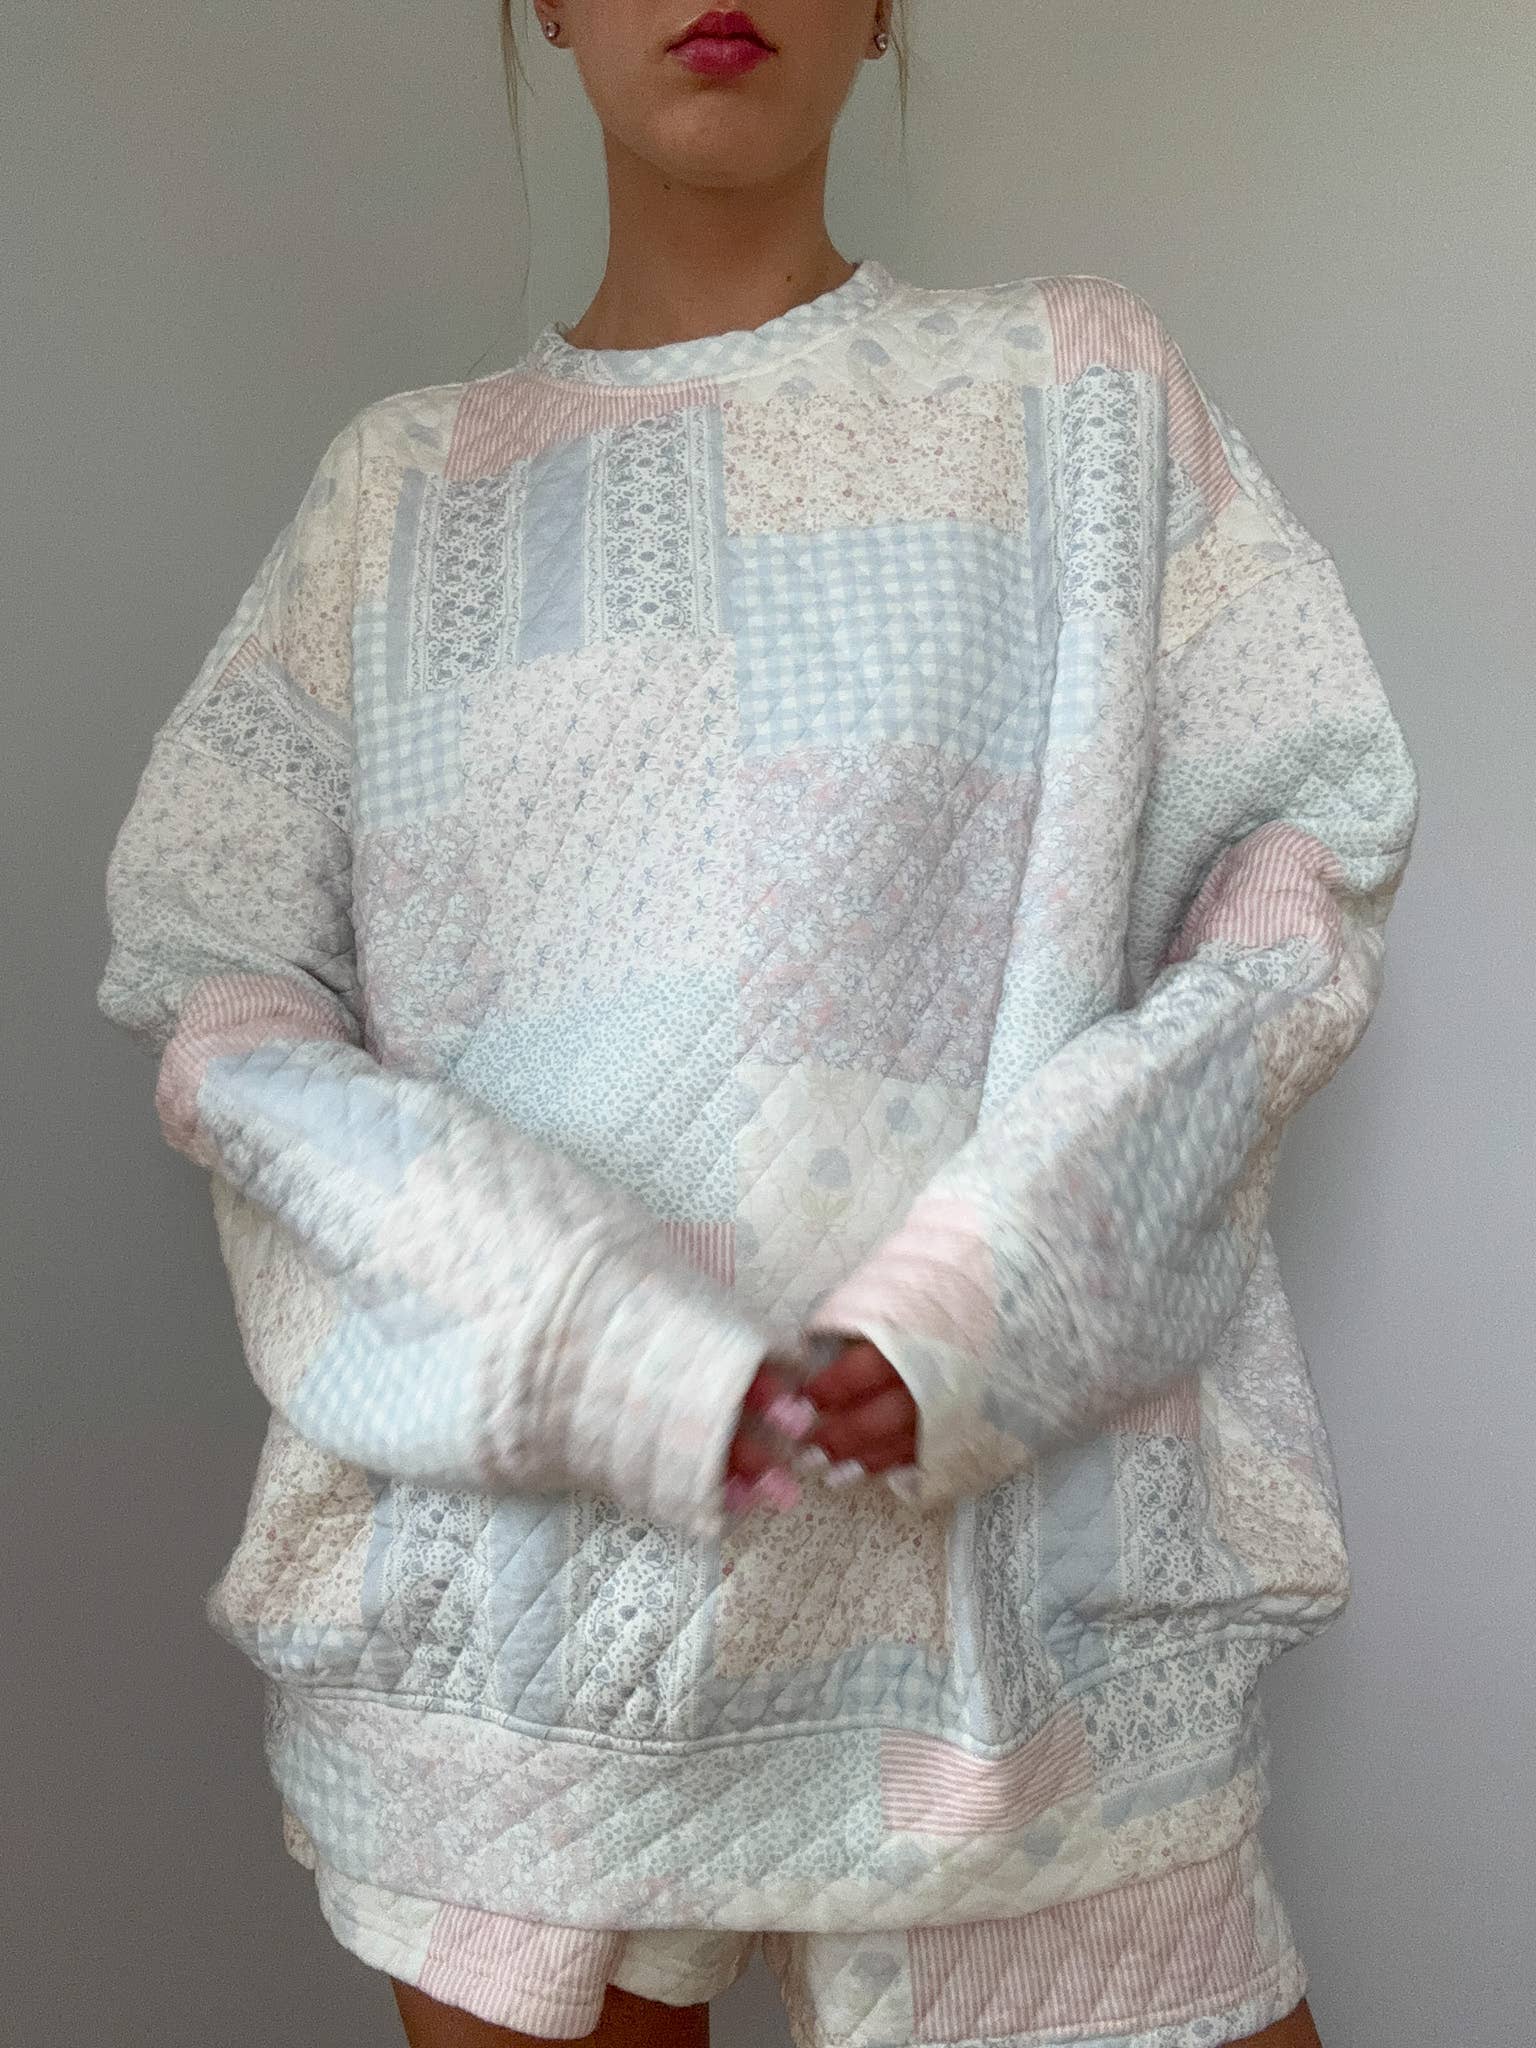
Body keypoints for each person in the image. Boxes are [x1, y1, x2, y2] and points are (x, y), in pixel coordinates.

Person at [93, 2, 1421, 2045]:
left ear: (886, 10)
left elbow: (1289, 899)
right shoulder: (398, 499)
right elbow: (223, 1002)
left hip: (1008, 1629)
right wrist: (583, 1336)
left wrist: (985, 1302)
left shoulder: (1078, 396)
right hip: (527, 1650)